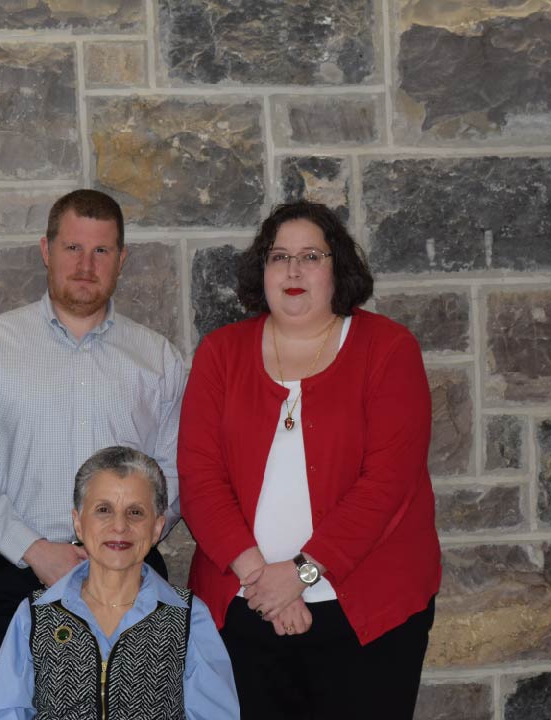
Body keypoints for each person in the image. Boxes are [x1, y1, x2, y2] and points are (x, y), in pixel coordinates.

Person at [178, 201, 441, 719]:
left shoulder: (388, 348)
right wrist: (263, 582)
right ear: (263, 271)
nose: (293, 271)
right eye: (279, 257)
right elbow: (199, 478)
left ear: (337, 268)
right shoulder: (220, 353)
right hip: (243, 609)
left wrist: (298, 574)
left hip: (369, 613)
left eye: (310, 256)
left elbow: (388, 483)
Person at [0, 189, 186, 717]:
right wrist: (38, 551)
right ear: (46, 249)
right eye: (72, 248)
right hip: (15, 578)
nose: (86, 265)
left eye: (102, 251)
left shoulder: (157, 358)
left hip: (132, 582)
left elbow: (175, 472)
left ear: (121, 259)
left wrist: (124, 546)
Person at [0, 446, 239, 720]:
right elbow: (0, 713)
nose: (119, 526)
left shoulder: (188, 617)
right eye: (103, 510)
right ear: (78, 522)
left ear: (157, 527)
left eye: (135, 512)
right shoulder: (35, 616)